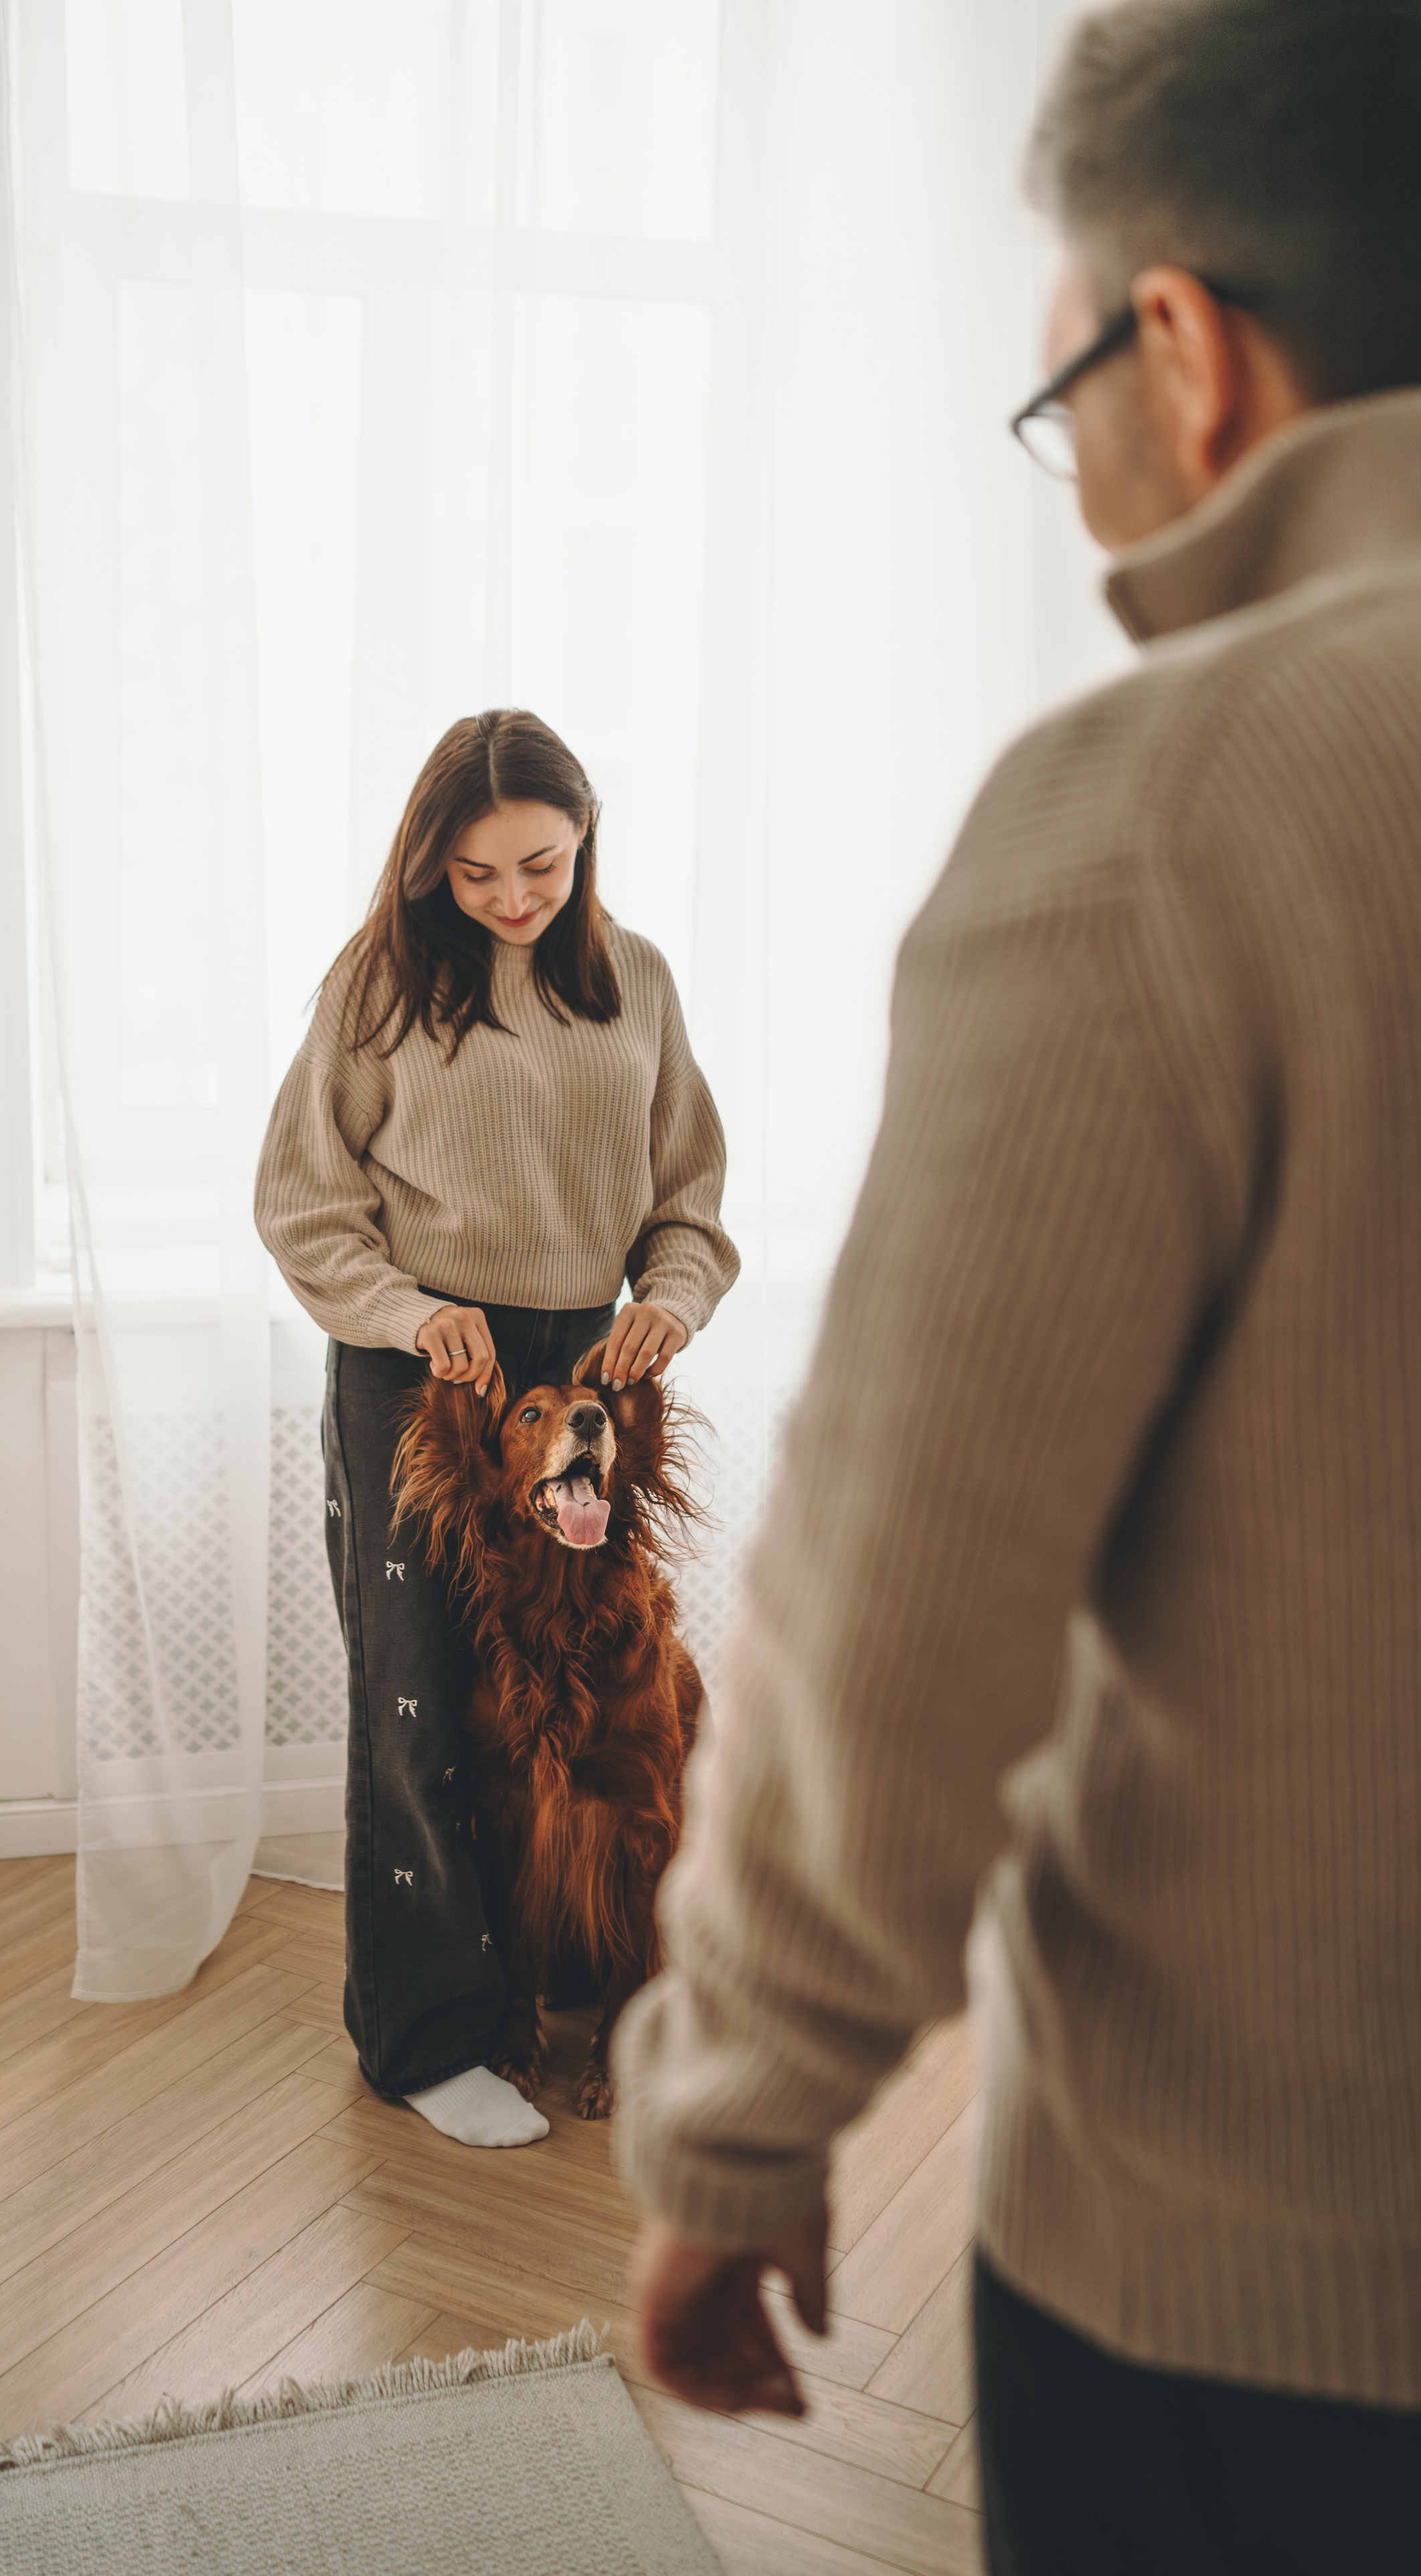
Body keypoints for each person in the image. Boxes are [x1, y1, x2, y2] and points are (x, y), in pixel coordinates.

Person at [612, 1, 1421, 2566]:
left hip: (1277, 2295)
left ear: (1183, 346)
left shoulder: (1172, 804)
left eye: (1057, 390)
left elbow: (906, 1577)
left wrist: (744, 2111)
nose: (1075, 468)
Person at [255, 708, 738, 2151]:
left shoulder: (631, 979)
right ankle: (428, 2041)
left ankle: (585, 1994)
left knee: (585, 1703)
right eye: (475, 875)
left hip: (579, 1365)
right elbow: (301, 1200)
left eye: (539, 863)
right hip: (418, 1370)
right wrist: (407, 1316)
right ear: (427, 867)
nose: (514, 898)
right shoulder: (375, 986)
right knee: (417, 1707)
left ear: (583, 840)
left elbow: (689, 1199)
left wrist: (666, 1299)